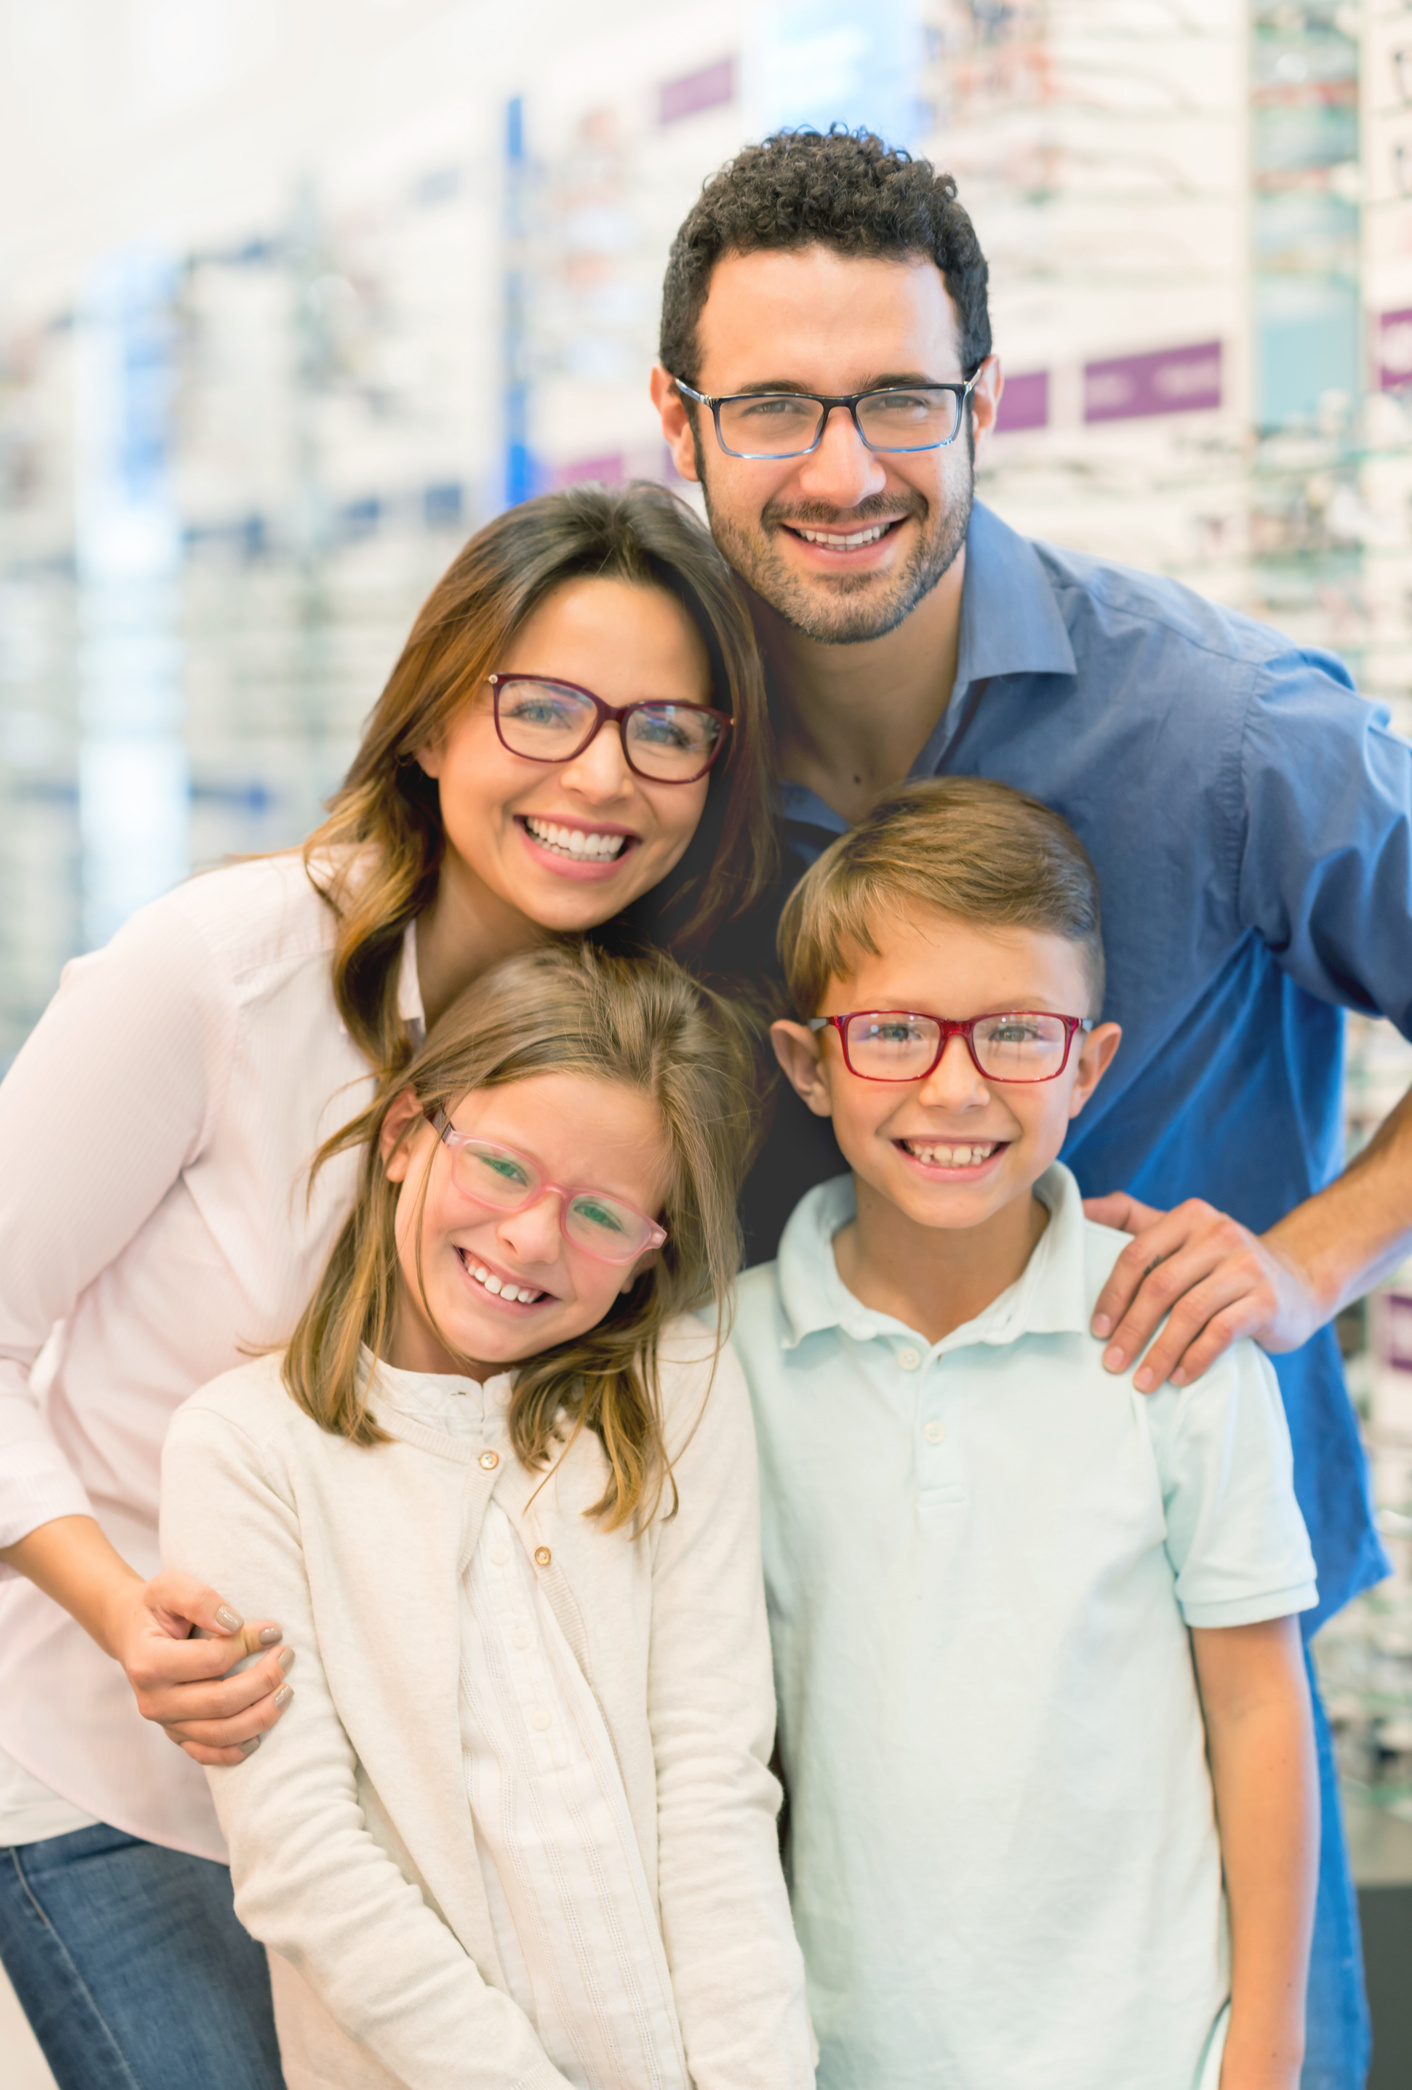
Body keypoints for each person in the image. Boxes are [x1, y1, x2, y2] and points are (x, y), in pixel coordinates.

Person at [653, 126, 1411, 2085]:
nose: (839, 469)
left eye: (899, 399)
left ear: (981, 405)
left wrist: (1307, 1267)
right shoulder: (653, 750)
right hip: (777, 1642)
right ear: (678, 420)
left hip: (1168, 1648)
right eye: (772, 409)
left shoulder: (1226, 731)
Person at [0, 481, 777, 2087]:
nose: (599, 774)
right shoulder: (221, 969)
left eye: (665, 731)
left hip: (423, 1794)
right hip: (120, 1757)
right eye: (543, 708)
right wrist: (118, 1609)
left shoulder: (651, 1040)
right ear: (432, 722)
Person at [732, 774, 1320, 2090]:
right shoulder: (724, 1362)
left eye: (1014, 1033)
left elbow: (1257, 1706)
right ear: (807, 1062)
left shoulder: (1177, 1350)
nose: (953, 1089)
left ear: (1089, 1064)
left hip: (1148, 2054)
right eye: (891, 1031)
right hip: (824, 2054)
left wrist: (1265, 2058)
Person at [160, 941, 813, 2090]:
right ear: (409, 1129)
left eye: (605, 1213)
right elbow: (303, 1861)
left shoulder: (678, 1387)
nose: (528, 1238)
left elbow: (711, 1786)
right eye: (504, 1166)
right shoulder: (245, 1447)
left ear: (649, 1257)